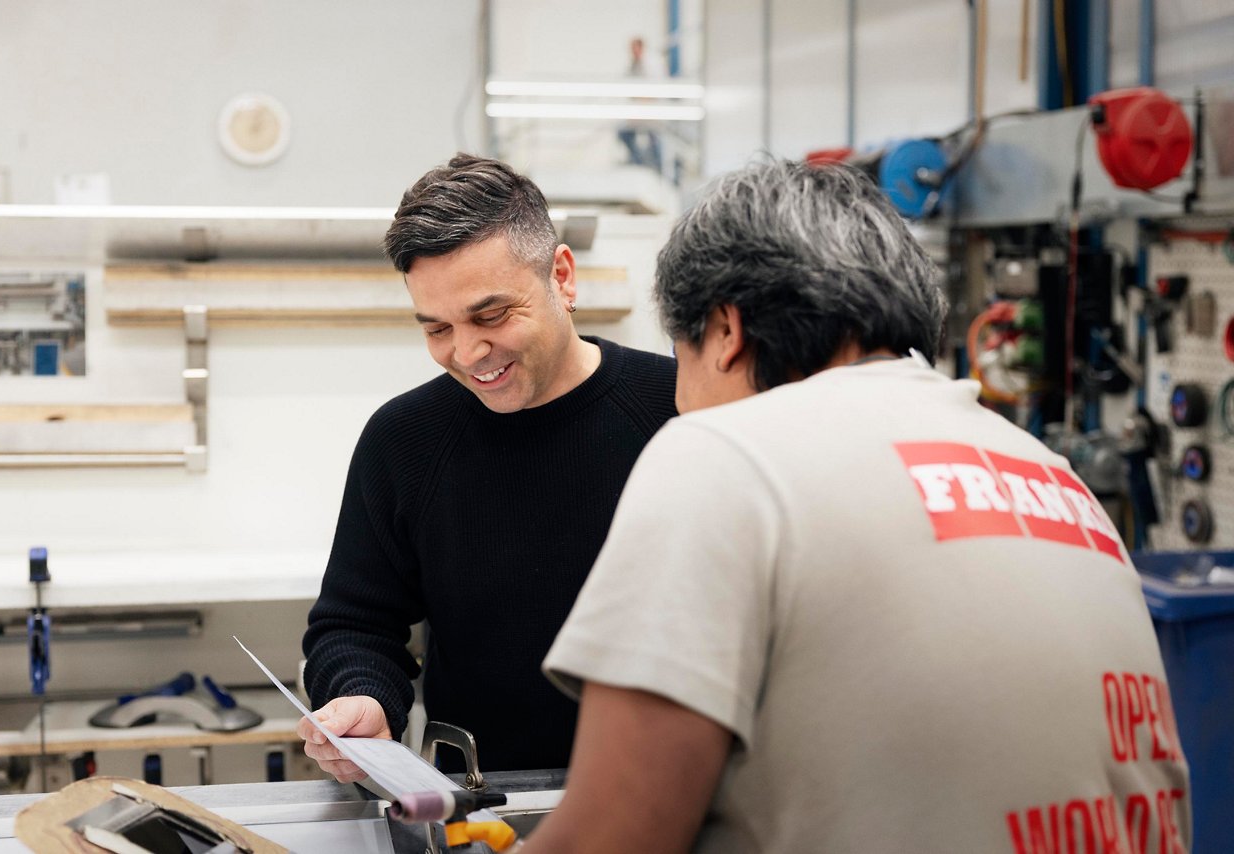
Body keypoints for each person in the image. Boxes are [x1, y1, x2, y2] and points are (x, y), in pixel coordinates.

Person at [527, 161, 1191, 852]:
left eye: (680, 356)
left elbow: (611, 838)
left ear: (726, 330)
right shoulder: (1055, 479)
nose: (680, 396)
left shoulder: (723, 454)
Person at [298, 154, 677, 777]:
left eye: (491, 315)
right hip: (483, 801)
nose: (468, 353)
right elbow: (354, 623)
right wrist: (362, 699)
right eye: (436, 328)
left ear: (562, 276)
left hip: (672, 794)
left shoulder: (679, 409)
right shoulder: (404, 440)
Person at [616, 37, 663, 173]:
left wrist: (641, 104)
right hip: (637, 112)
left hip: (652, 112)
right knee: (624, 134)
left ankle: (656, 166)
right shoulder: (633, 65)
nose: (632, 52)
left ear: (641, 48)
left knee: (654, 139)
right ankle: (639, 161)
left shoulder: (652, 64)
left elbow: (654, 91)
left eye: (634, 49)